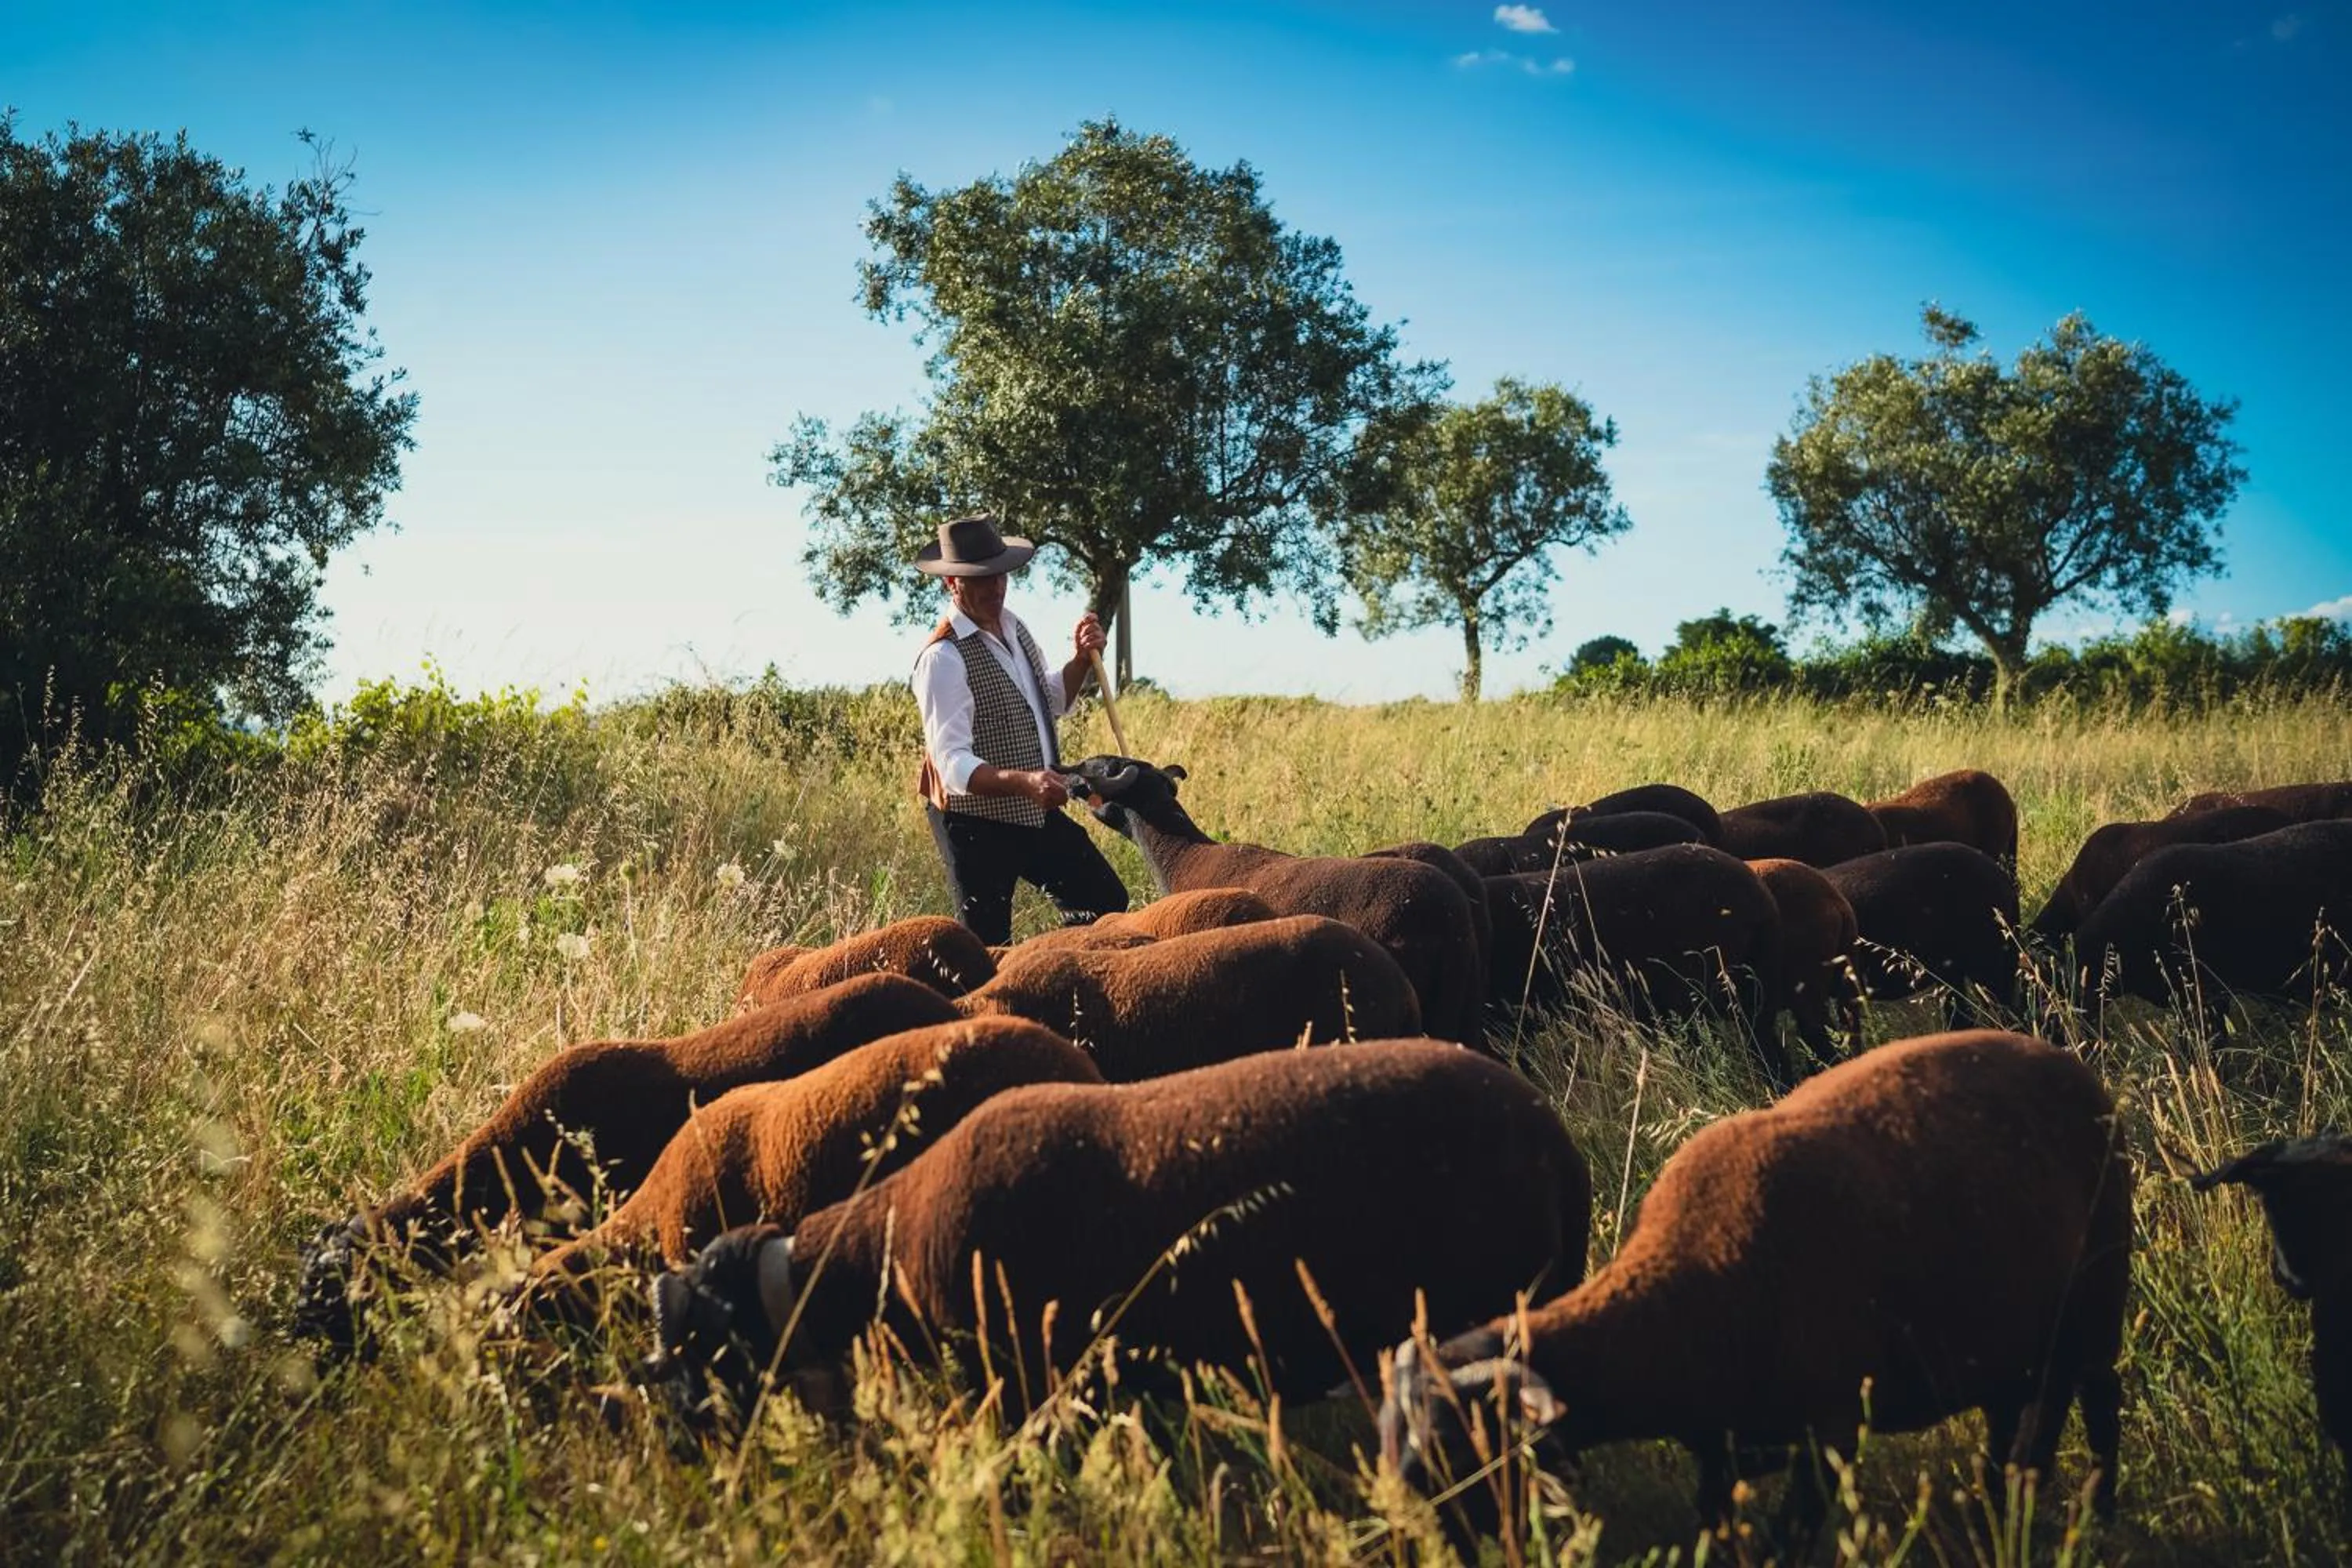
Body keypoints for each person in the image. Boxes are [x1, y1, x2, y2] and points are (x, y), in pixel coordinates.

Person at [910, 514, 1130, 946]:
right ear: (951, 584)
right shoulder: (942, 658)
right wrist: (1025, 782)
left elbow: (1050, 701)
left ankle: (1052, 977)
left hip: (1032, 808)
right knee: (985, 948)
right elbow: (951, 765)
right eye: (980, 579)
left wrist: (1081, 661)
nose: (995, 588)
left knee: (1104, 900)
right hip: (972, 823)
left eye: (1000, 575)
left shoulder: (1015, 627)